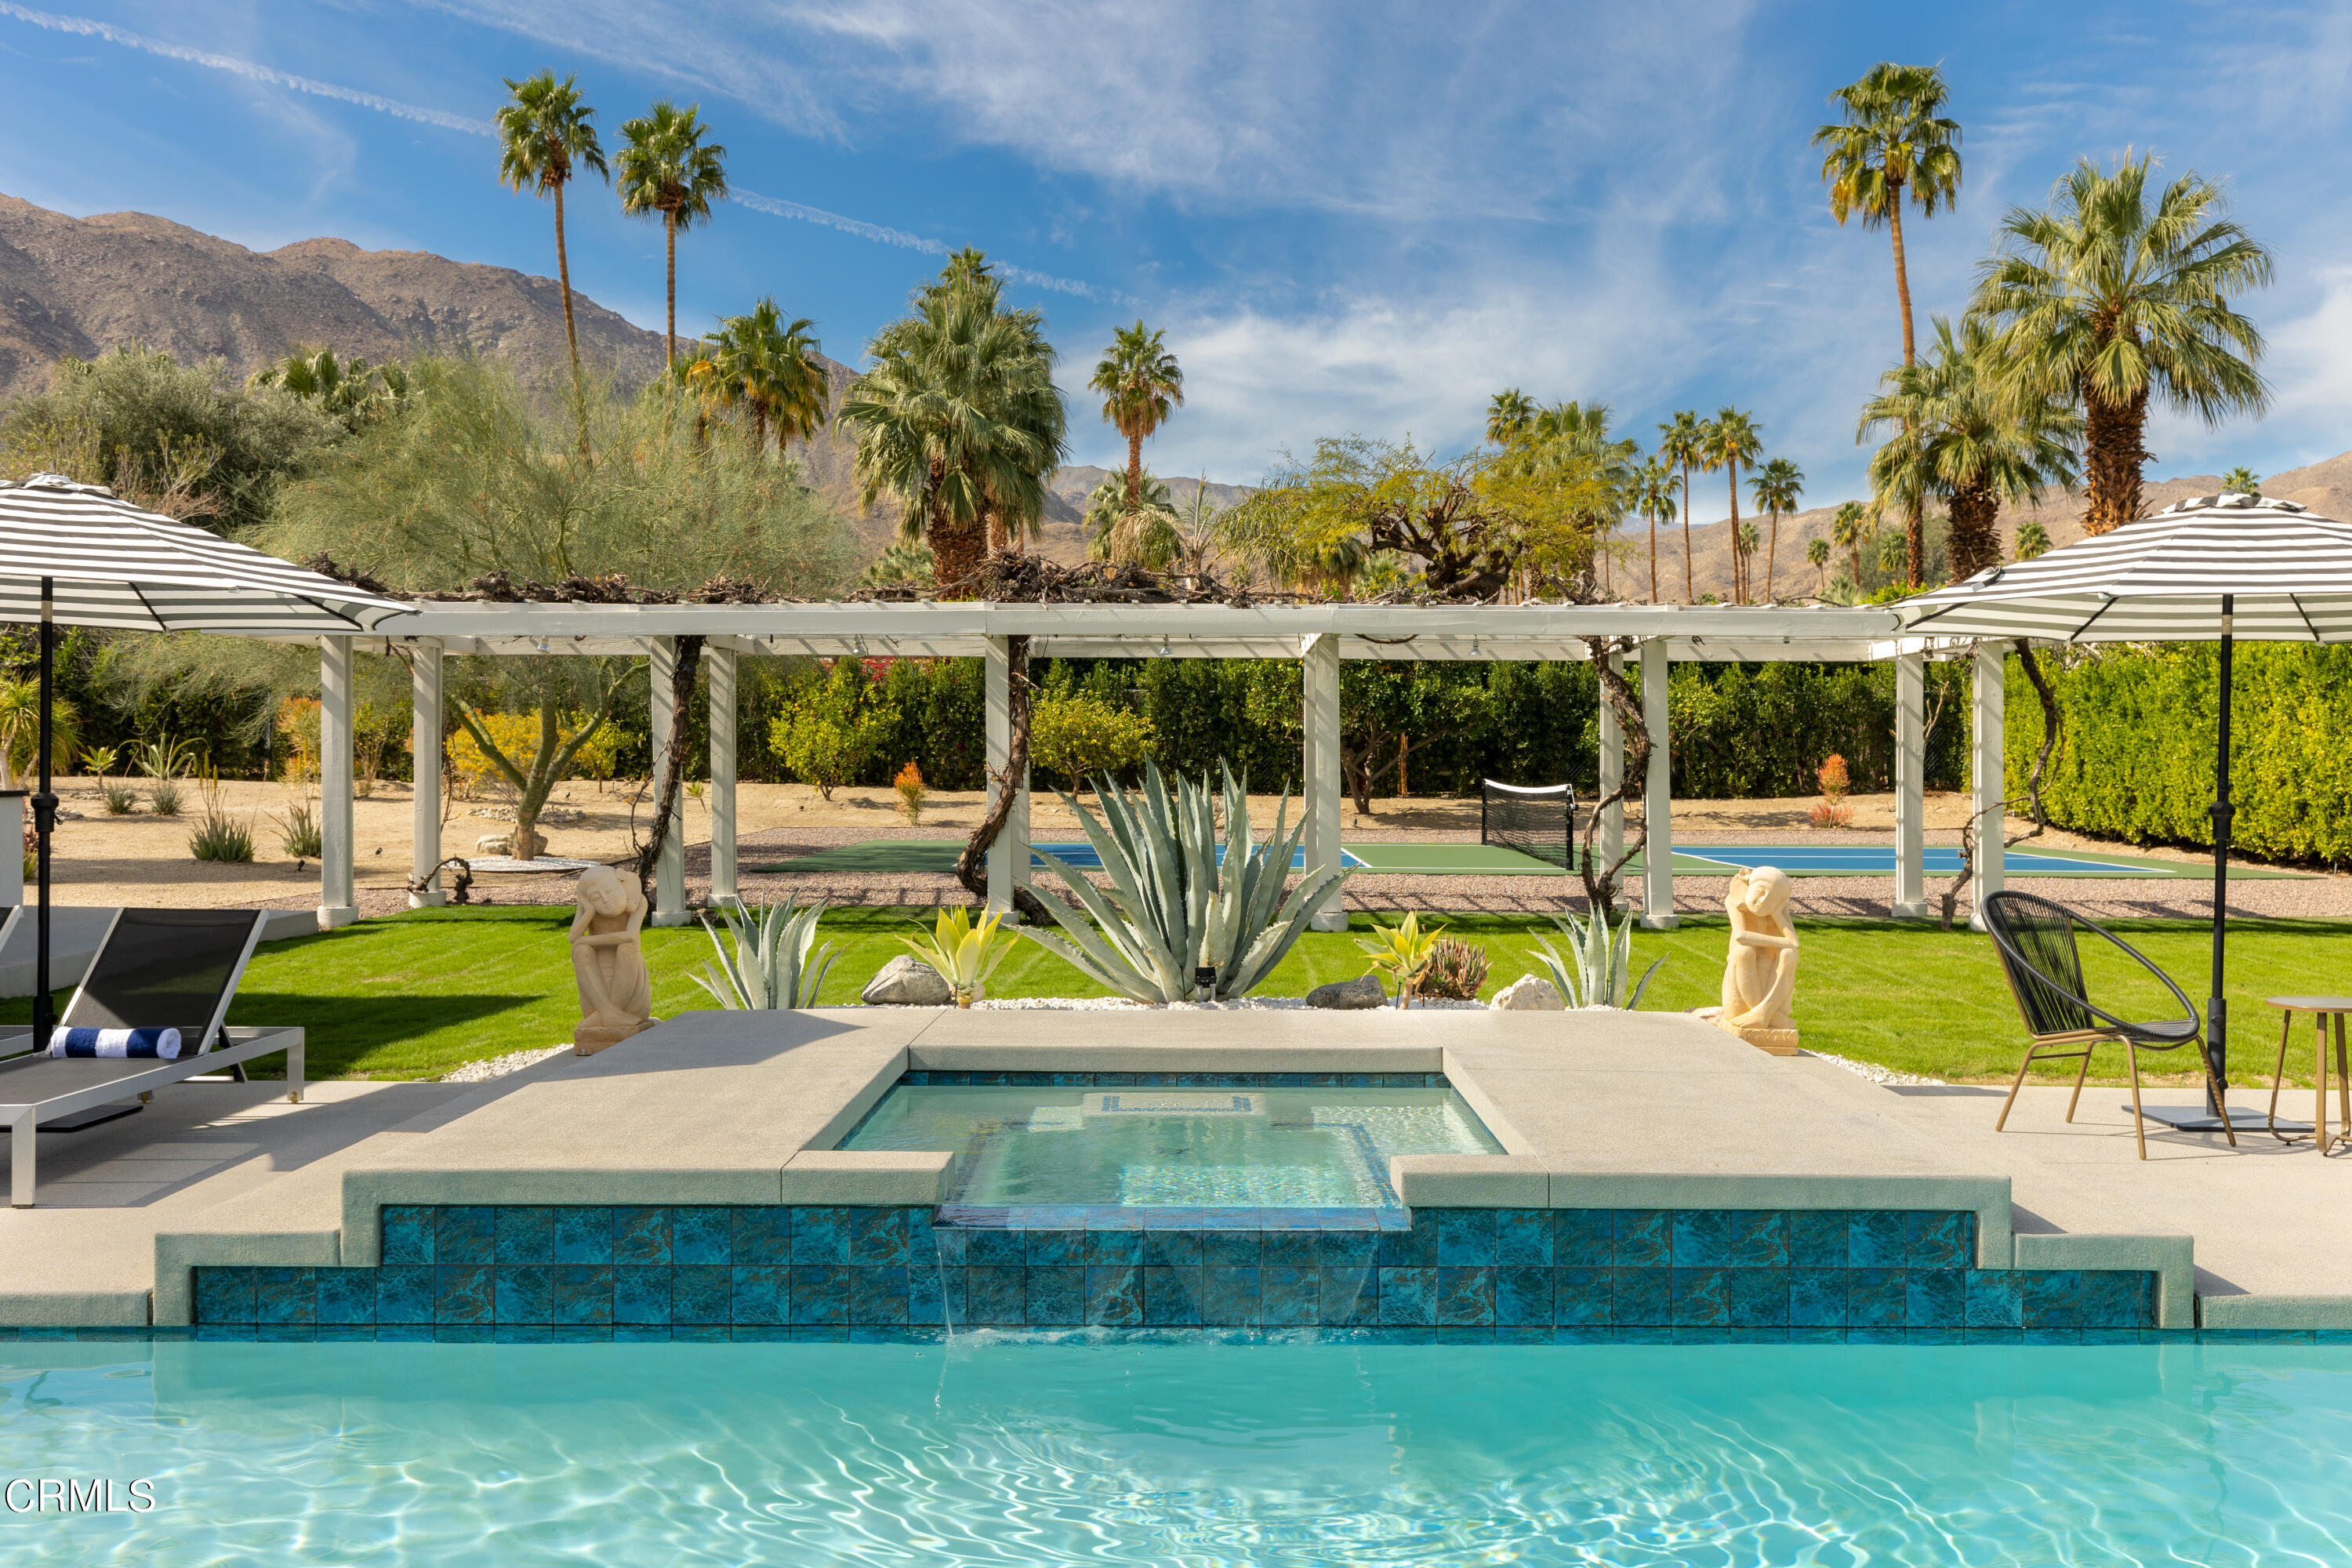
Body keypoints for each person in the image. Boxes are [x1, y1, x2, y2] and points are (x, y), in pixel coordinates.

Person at [570, 865, 652, 1044]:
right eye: (596, 898)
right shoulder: (590, 909)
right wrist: (589, 911)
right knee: (580, 950)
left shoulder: (639, 902)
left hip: (631, 987)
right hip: (595, 990)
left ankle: (606, 1014)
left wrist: (588, 940)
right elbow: (574, 938)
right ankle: (610, 1014)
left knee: (627, 947)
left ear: (620, 883)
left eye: (608, 891)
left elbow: (630, 936)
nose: (605, 900)